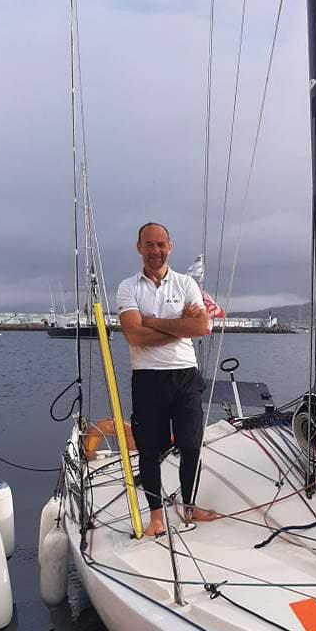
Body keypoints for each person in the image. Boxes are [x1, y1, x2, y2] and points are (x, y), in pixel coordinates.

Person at [117, 222, 217, 536]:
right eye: (149, 245)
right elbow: (134, 335)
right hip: (148, 378)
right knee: (149, 448)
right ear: (139, 248)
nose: (155, 251)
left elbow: (200, 328)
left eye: (161, 244)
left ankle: (189, 506)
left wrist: (154, 322)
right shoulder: (128, 288)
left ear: (169, 247)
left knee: (191, 445)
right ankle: (156, 515)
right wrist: (178, 325)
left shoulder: (187, 284)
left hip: (186, 375)